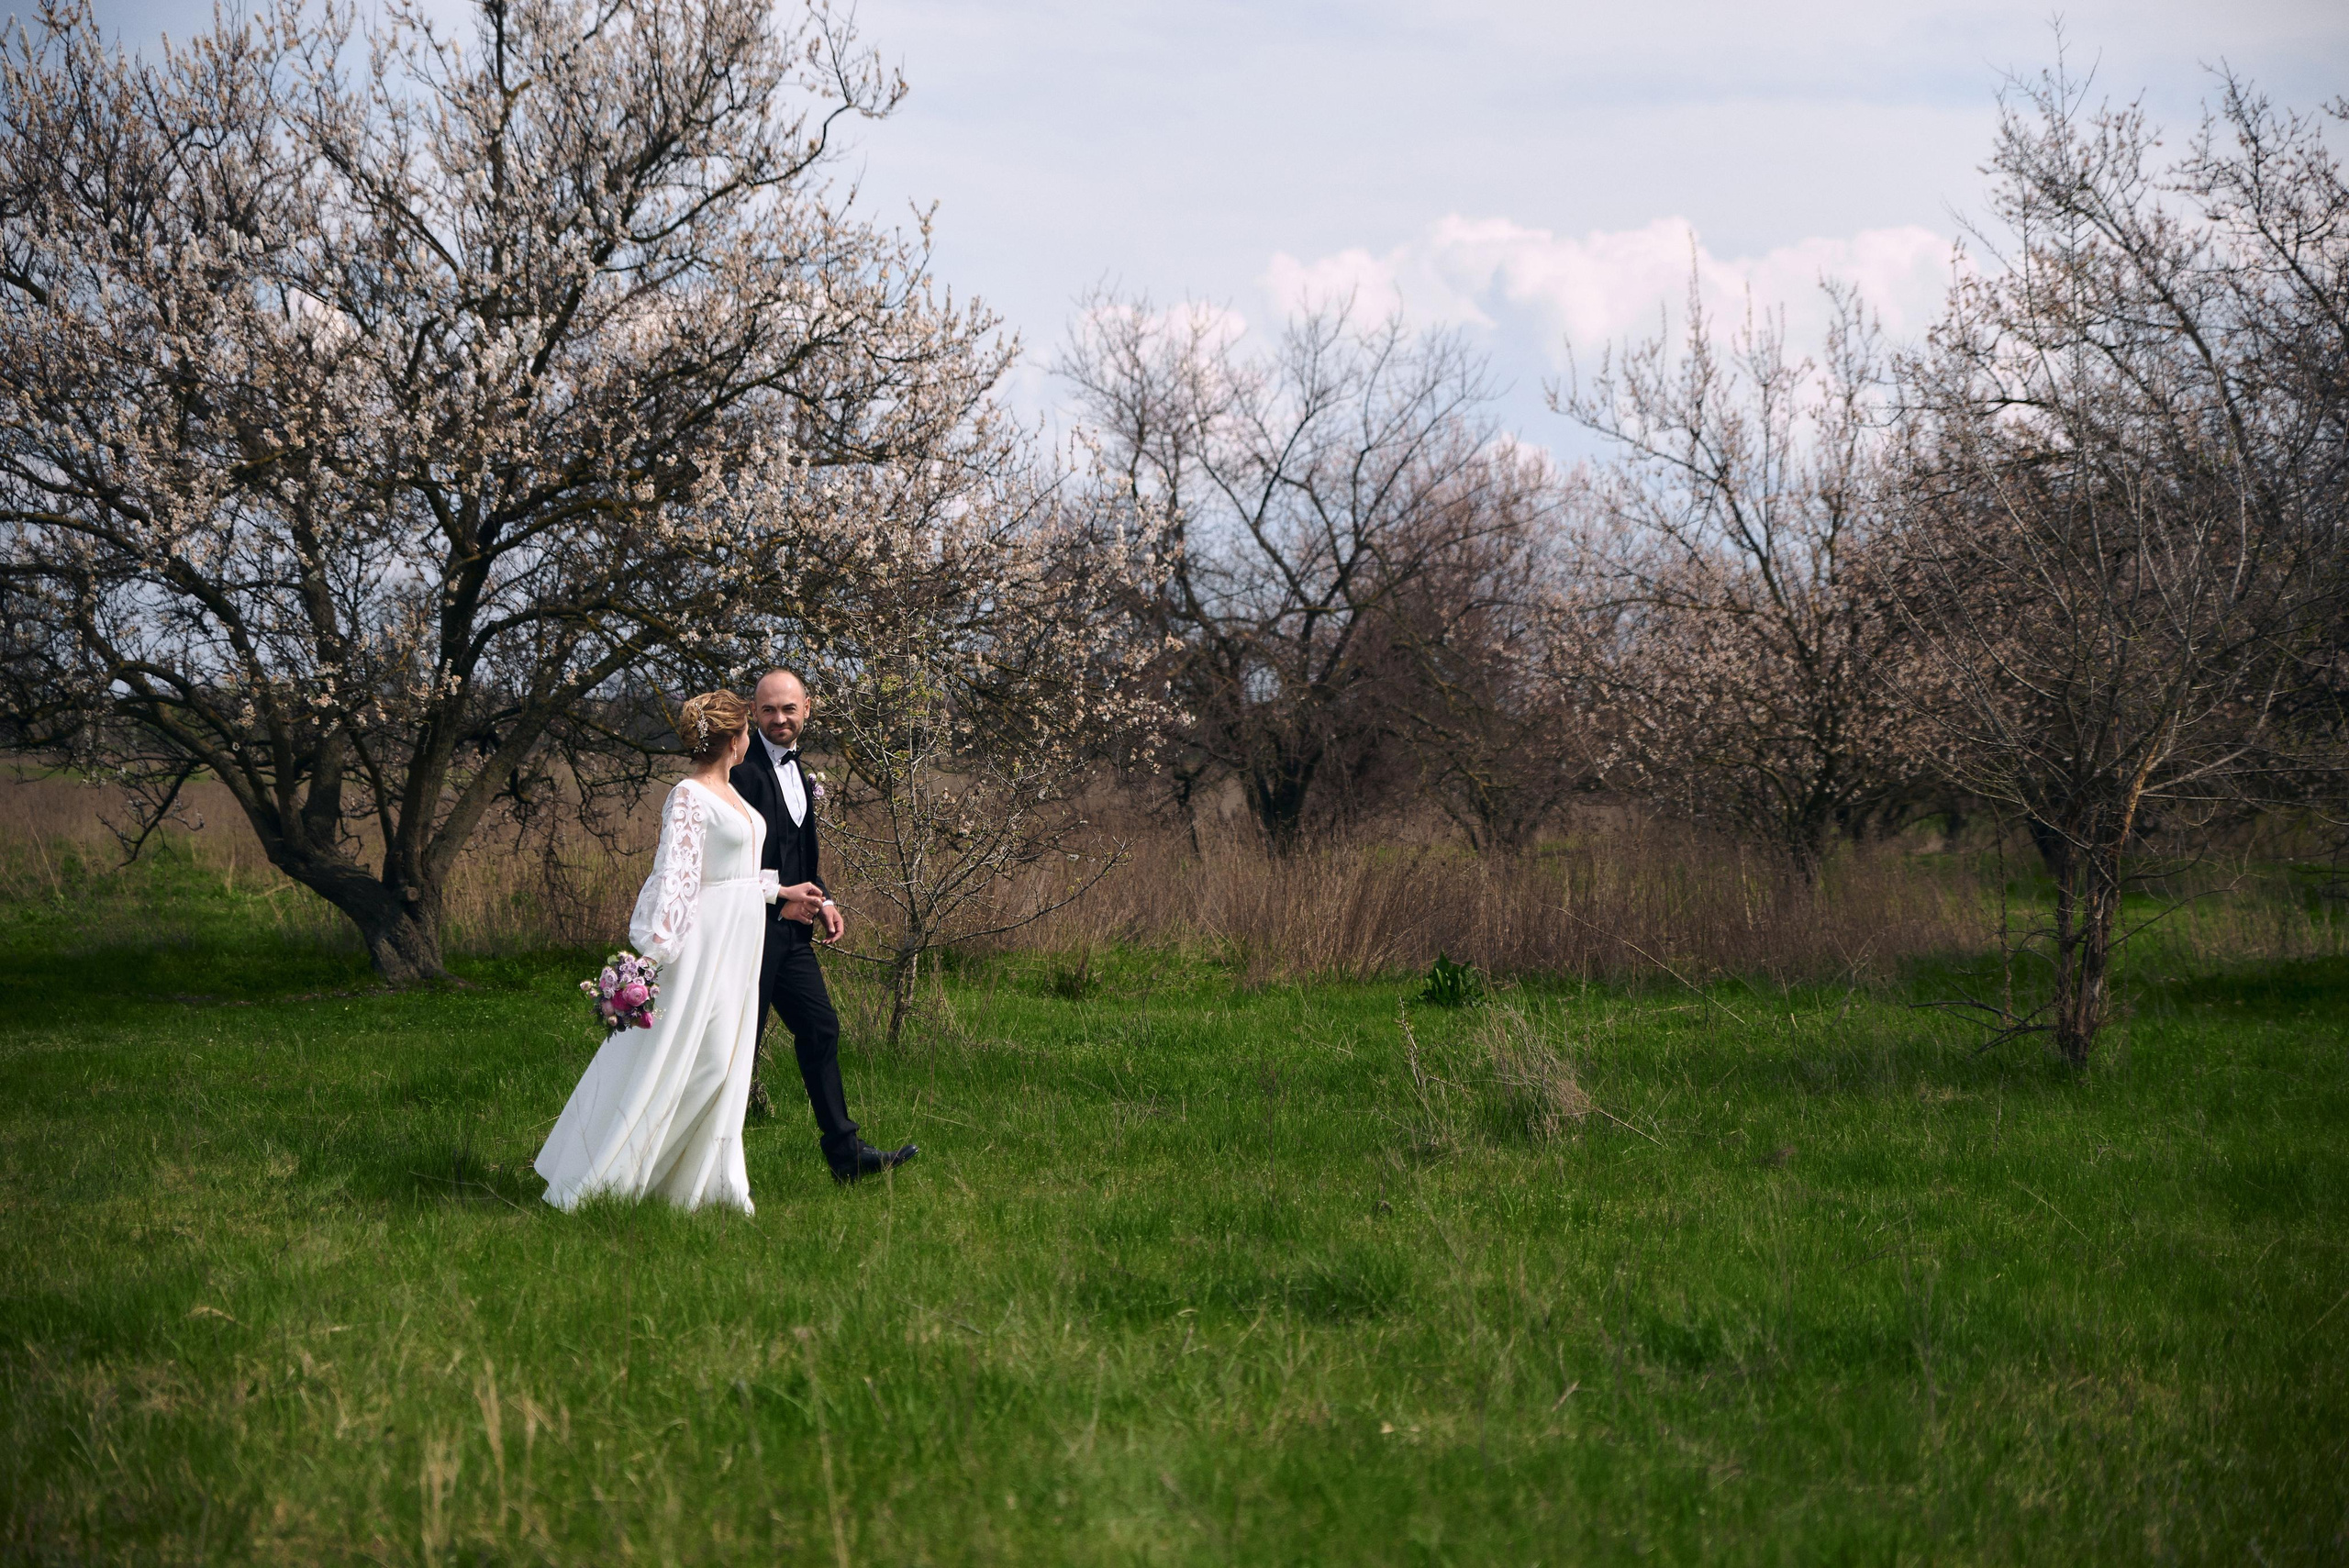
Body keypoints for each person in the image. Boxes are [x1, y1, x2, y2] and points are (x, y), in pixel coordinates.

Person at [534, 692, 799, 1212]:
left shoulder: (734, 796)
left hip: (740, 945)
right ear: (733, 738)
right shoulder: (689, 795)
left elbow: (734, 873)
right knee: (696, 1063)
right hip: (700, 948)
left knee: (725, 1066)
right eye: (747, 729)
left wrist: (781, 892)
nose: (751, 738)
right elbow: (677, 878)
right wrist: (653, 956)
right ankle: (613, 1177)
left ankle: (704, 1189)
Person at [732, 667, 918, 1184]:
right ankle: (699, 1164)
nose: (779, 718)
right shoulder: (740, 773)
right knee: (737, 1051)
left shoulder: (803, 774)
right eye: (768, 709)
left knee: (820, 1029)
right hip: (748, 933)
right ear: (754, 713)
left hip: (793, 938)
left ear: (807, 709)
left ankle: (847, 1156)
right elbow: (730, 862)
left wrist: (824, 897)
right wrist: (778, 901)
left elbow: (799, 855)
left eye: (789, 708)